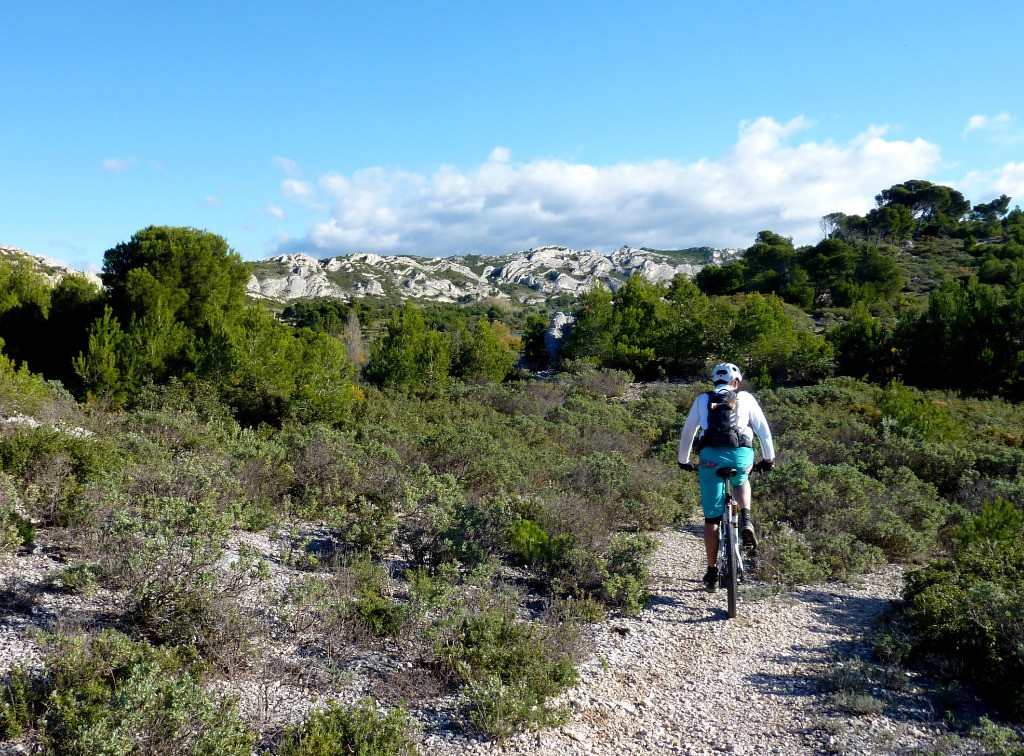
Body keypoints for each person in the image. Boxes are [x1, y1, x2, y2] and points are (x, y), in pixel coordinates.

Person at [678, 362, 776, 592]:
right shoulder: (746, 398)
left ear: (715, 381)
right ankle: (746, 518)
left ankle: (712, 573)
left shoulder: (703, 399)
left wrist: (683, 461)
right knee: (741, 479)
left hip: (710, 459)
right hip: (740, 456)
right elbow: (763, 431)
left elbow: (688, 432)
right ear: (737, 382)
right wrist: (768, 459)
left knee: (711, 520)